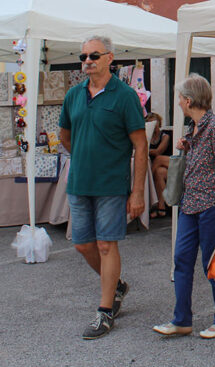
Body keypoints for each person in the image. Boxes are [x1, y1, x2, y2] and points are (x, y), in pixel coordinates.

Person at [59, 35, 149, 340]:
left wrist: (137, 191)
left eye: (94, 56)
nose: (87, 61)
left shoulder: (125, 96)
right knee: (83, 245)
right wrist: (85, 156)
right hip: (79, 183)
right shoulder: (74, 95)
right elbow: (65, 135)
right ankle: (117, 285)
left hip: (112, 184)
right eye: (83, 56)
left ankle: (105, 309)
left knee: (106, 245)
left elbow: (140, 145)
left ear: (110, 58)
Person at [153, 73, 215, 340]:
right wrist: (185, 146)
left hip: (212, 205)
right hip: (189, 204)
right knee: (181, 259)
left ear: (189, 101)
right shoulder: (193, 128)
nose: (178, 102)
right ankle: (181, 320)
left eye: (180, 98)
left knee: (212, 263)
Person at [147, 112, 171, 218]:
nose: (153, 124)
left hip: (168, 164)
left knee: (158, 158)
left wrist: (146, 150)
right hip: (159, 168)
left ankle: (149, 182)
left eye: (155, 122)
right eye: (150, 122)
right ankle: (161, 206)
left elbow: (158, 152)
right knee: (159, 172)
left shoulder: (165, 136)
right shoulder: (147, 136)